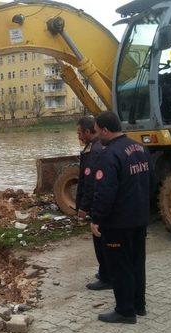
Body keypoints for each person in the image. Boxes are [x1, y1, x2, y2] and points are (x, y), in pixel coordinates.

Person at [90, 111, 152, 324]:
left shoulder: (109, 155)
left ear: (105, 130)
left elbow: (105, 192)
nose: (97, 136)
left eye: (98, 131)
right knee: (137, 263)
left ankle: (125, 311)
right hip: (140, 218)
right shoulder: (141, 149)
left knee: (120, 266)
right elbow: (150, 183)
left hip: (118, 223)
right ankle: (139, 305)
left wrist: (96, 219)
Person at [74, 116, 111, 291]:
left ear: (89, 132)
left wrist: (83, 207)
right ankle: (106, 270)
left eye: (80, 133)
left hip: (97, 203)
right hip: (102, 202)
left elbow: (89, 183)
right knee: (103, 239)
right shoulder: (97, 146)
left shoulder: (94, 151)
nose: (79, 137)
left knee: (100, 240)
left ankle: (106, 276)